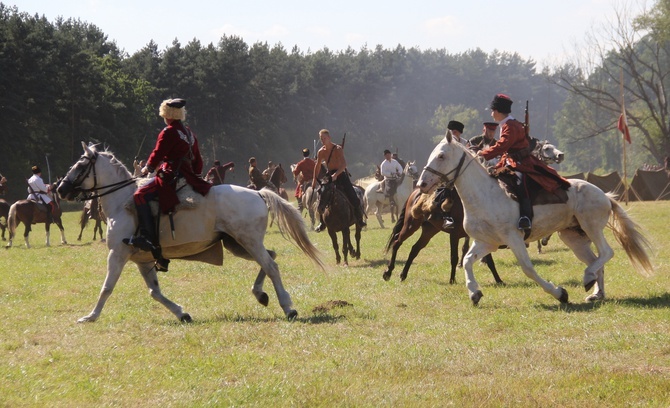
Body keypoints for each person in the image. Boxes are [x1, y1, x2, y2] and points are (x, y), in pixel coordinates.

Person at [124, 98, 212, 272]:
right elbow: (198, 160)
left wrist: (146, 169)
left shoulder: (168, 131)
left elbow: (158, 153)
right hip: (188, 176)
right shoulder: (189, 133)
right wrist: (194, 175)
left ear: (167, 115)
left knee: (139, 196)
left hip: (171, 175)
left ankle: (148, 238)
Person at [477, 94, 570, 230]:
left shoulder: (511, 126)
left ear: (497, 111)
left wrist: (484, 153)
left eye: (492, 111)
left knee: (521, 184)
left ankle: (525, 217)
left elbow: (503, 145)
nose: (491, 115)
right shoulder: (507, 124)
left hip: (521, 163)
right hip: (509, 161)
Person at [312, 129, 366, 232]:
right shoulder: (321, 151)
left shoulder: (337, 148)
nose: (323, 140)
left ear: (329, 138)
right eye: (321, 139)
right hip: (329, 175)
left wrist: (336, 175)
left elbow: (343, 164)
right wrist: (314, 179)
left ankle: (359, 219)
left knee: (353, 196)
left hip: (340, 174)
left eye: (324, 138)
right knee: (322, 195)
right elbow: (317, 166)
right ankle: (322, 223)